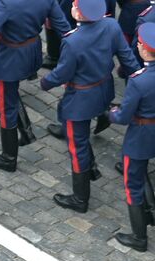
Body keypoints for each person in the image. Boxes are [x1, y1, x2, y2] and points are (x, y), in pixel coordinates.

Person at [41, 0, 140, 212]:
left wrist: (46, 82)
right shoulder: (112, 26)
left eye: (75, 6)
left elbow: (63, 73)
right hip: (104, 89)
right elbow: (127, 57)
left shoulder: (73, 41)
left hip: (79, 99)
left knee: (77, 147)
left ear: (80, 14)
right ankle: (91, 168)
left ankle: (80, 198)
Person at [0, 0, 71, 173]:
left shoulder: (5, 3)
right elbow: (64, 29)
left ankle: (8, 157)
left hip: (10, 58)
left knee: (6, 106)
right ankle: (26, 132)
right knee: (10, 93)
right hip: (33, 52)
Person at [107, 22, 155, 250]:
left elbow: (124, 116)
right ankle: (150, 212)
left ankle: (139, 238)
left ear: (146, 51)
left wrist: (111, 113)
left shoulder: (139, 81)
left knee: (132, 184)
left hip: (140, 134)